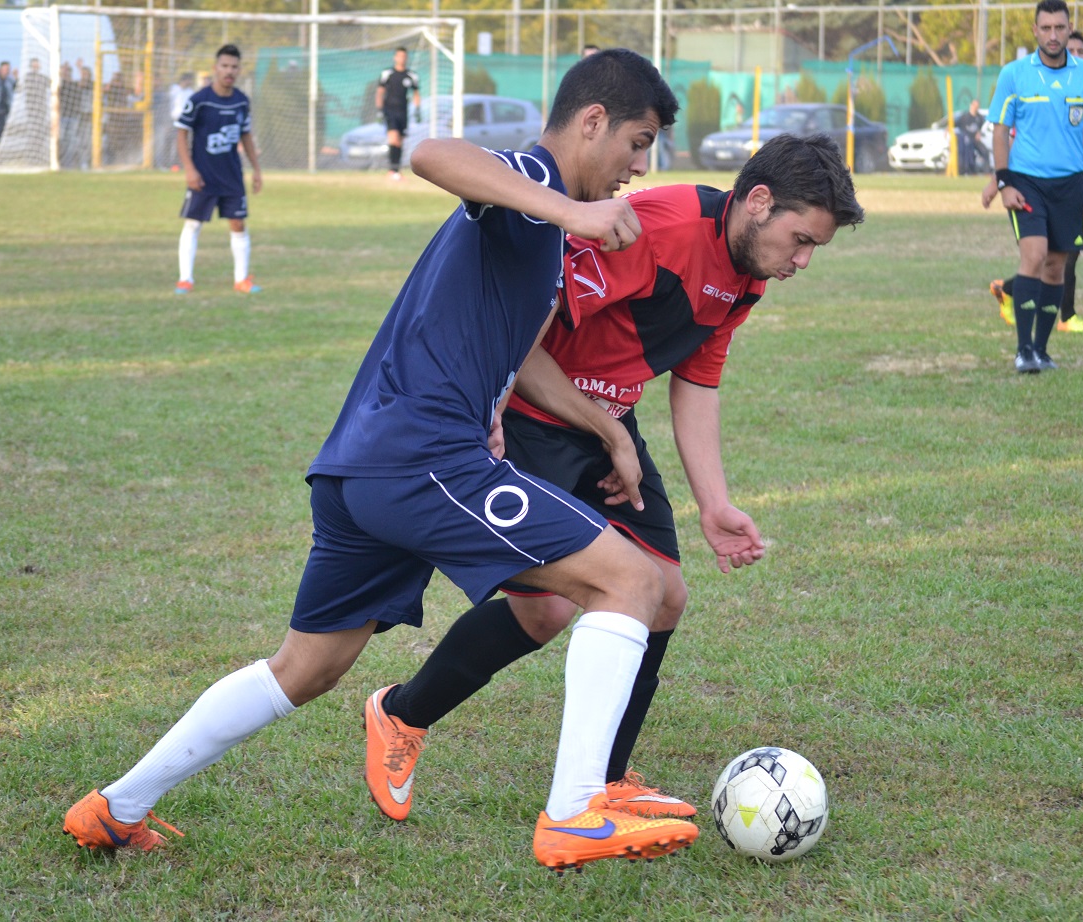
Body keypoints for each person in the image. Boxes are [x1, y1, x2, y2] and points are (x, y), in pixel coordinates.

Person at [63, 48, 689, 874]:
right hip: (422, 464)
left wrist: (521, 412)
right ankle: (576, 813)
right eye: (637, 142)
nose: (637, 168)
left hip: (367, 466)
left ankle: (115, 806)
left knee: (306, 666)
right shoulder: (533, 181)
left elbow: (488, 333)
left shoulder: (538, 215)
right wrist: (566, 214)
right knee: (636, 583)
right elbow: (434, 154)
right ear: (592, 121)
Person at [362, 133, 864, 825]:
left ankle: (605, 779)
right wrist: (563, 421)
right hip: (536, 418)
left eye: (813, 249)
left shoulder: (746, 272)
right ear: (757, 202)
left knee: (664, 596)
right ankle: (400, 714)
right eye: (800, 240)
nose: (801, 261)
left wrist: (714, 505)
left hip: (605, 425)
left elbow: (696, 383)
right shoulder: (654, 231)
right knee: (546, 610)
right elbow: (521, 333)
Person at [984, 0, 1083, 374]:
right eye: (1046, 28)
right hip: (1026, 182)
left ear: (1069, 27)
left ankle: (1041, 350)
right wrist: (1004, 182)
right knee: (1034, 256)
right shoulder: (1014, 74)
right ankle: (1023, 350)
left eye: (1059, 28)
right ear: (1035, 31)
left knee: (1056, 268)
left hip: (1070, 185)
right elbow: (998, 130)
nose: (1053, 35)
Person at [173, 44, 264, 295]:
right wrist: (189, 170)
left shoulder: (241, 101)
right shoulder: (200, 101)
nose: (229, 71)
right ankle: (185, 279)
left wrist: (256, 170)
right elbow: (181, 133)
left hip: (232, 175)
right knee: (193, 224)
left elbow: (246, 135)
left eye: (234, 67)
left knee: (238, 224)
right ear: (215, 68)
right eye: (225, 66)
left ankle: (241, 279)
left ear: (239, 70)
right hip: (203, 174)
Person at [375, 47, 420, 180]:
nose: (401, 58)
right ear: (395, 57)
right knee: (393, 138)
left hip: (403, 112)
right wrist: (379, 110)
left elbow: (416, 93)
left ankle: (396, 170)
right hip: (390, 111)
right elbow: (379, 92)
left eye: (404, 56)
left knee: (399, 142)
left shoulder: (411, 75)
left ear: (406, 58)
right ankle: (392, 169)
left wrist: (417, 110)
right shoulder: (387, 73)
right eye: (399, 56)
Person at [955, 98, 987, 174]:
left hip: (975, 140)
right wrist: (948, 129)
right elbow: (954, 124)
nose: (975, 107)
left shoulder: (979, 117)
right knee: (966, 151)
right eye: (974, 105)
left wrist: (979, 133)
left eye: (977, 106)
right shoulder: (964, 117)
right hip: (966, 141)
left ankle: (986, 171)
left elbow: (982, 128)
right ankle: (965, 170)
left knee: (985, 151)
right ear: (971, 105)